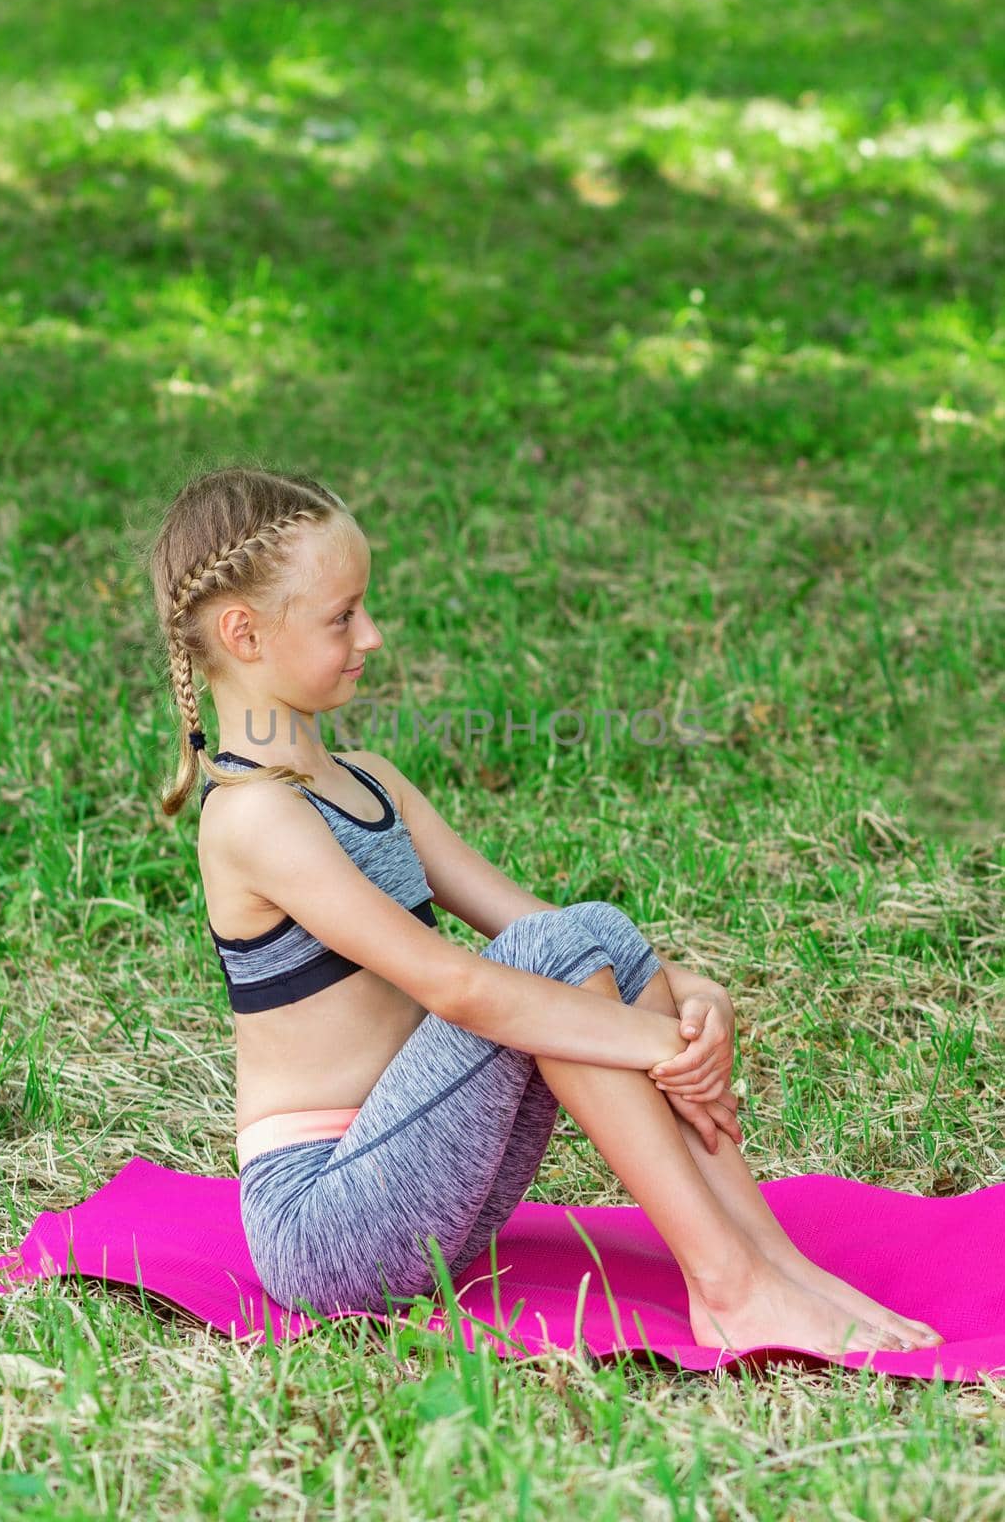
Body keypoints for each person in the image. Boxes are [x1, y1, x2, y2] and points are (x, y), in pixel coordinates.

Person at [147, 463, 941, 1359]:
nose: (373, 634)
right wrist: (655, 1046)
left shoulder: (372, 782)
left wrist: (692, 996)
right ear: (242, 633)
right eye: (342, 616)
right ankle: (731, 1286)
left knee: (588, 927)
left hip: (434, 1170)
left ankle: (769, 1261)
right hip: (328, 1222)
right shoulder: (253, 815)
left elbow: (549, 928)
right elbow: (459, 986)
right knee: (547, 950)